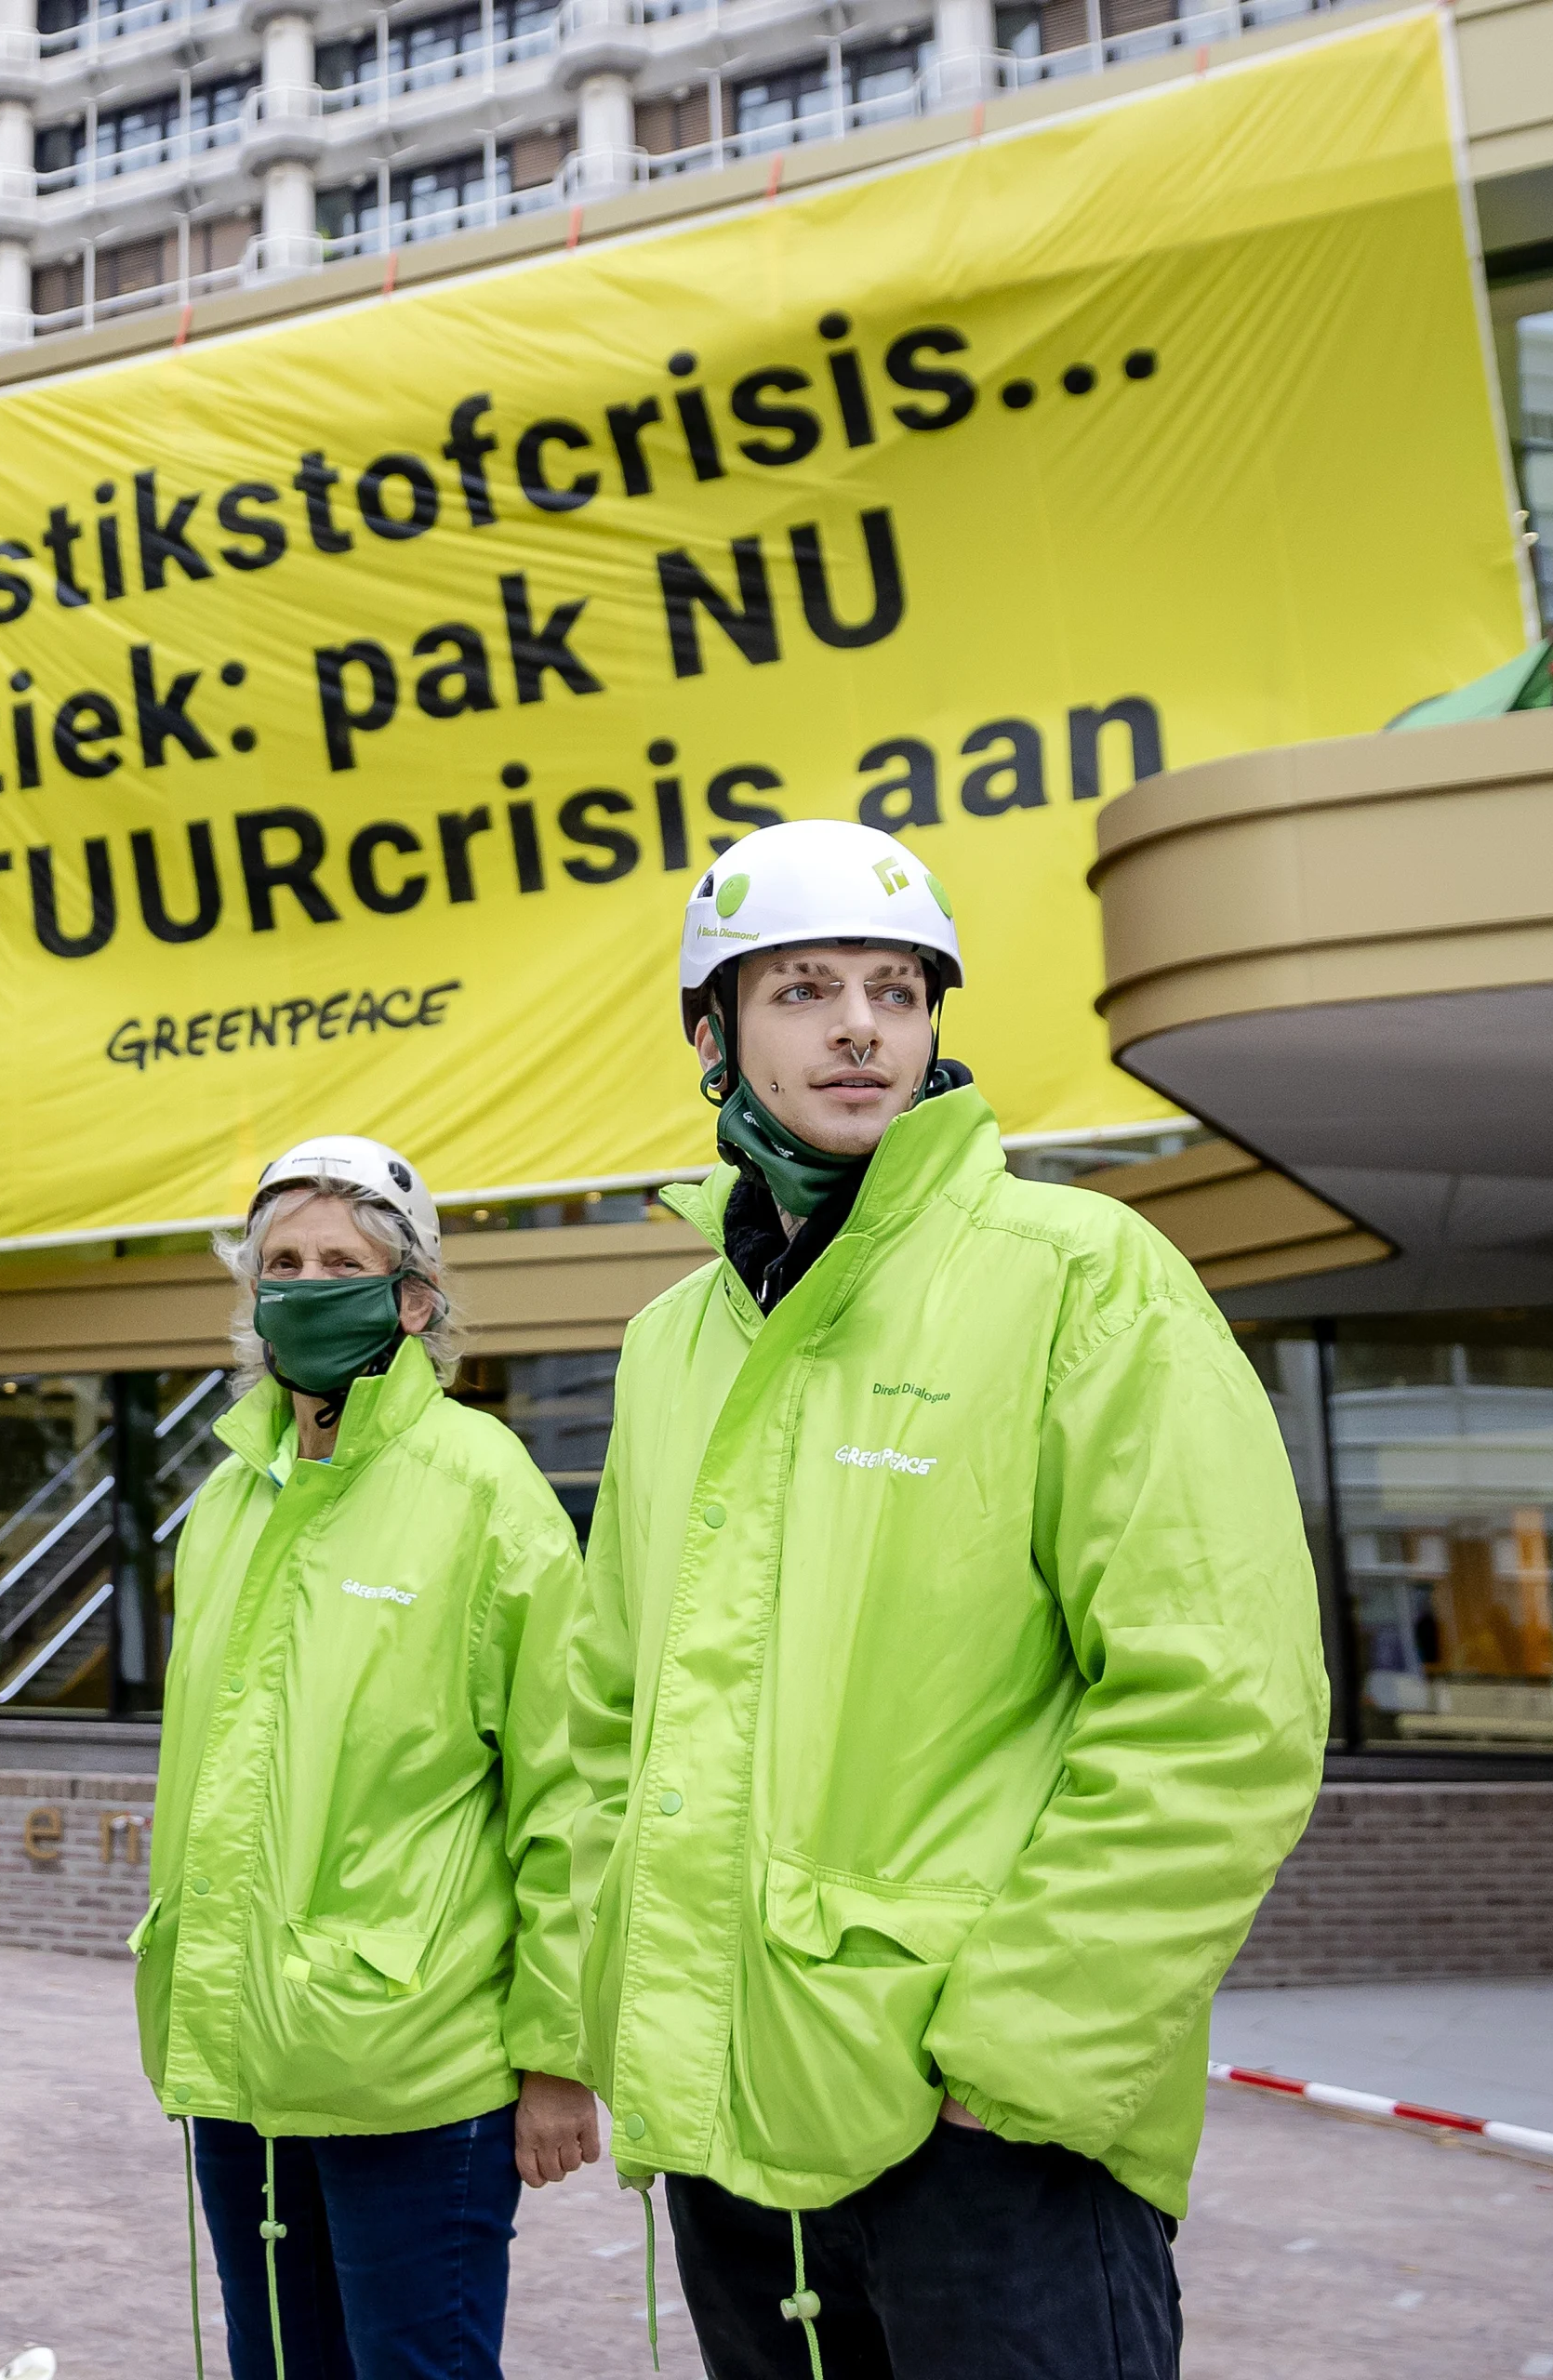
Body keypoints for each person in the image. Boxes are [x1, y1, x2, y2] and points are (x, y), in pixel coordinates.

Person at [553, 819, 1327, 2380]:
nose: (860, 1026)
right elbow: (606, 1716)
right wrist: (596, 2021)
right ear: (713, 1031)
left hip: (993, 2145)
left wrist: (1019, 2058)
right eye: (806, 990)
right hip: (724, 2122)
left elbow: (1222, 1708)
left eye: (899, 991)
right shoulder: (669, 1343)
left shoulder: (1081, 1275)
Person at [138, 1135, 592, 2380]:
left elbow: (565, 1791)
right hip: (240, 2066)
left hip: (415, 2075)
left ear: (413, 1301)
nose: (303, 1280)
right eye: (279, 1260)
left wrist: (558, 2056)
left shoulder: (484, 1490)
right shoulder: (230, 1504)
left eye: (341, 1259)